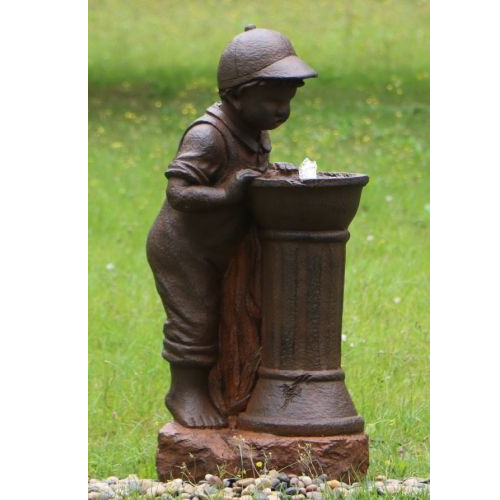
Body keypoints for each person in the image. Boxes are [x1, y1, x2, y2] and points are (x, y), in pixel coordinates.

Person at [146, 26, 317, 428]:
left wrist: (270, 174)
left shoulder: (253, 130)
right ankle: (184, 391)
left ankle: (230, 390)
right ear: (237, 94)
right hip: (183, 248)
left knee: (235, 315)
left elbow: (247, 172)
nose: (282, 110)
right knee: (196, 319)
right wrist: (225, 194)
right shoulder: (208, 135)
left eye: (288, 99)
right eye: (273, 99)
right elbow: (179, 193)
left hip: (219, 246)